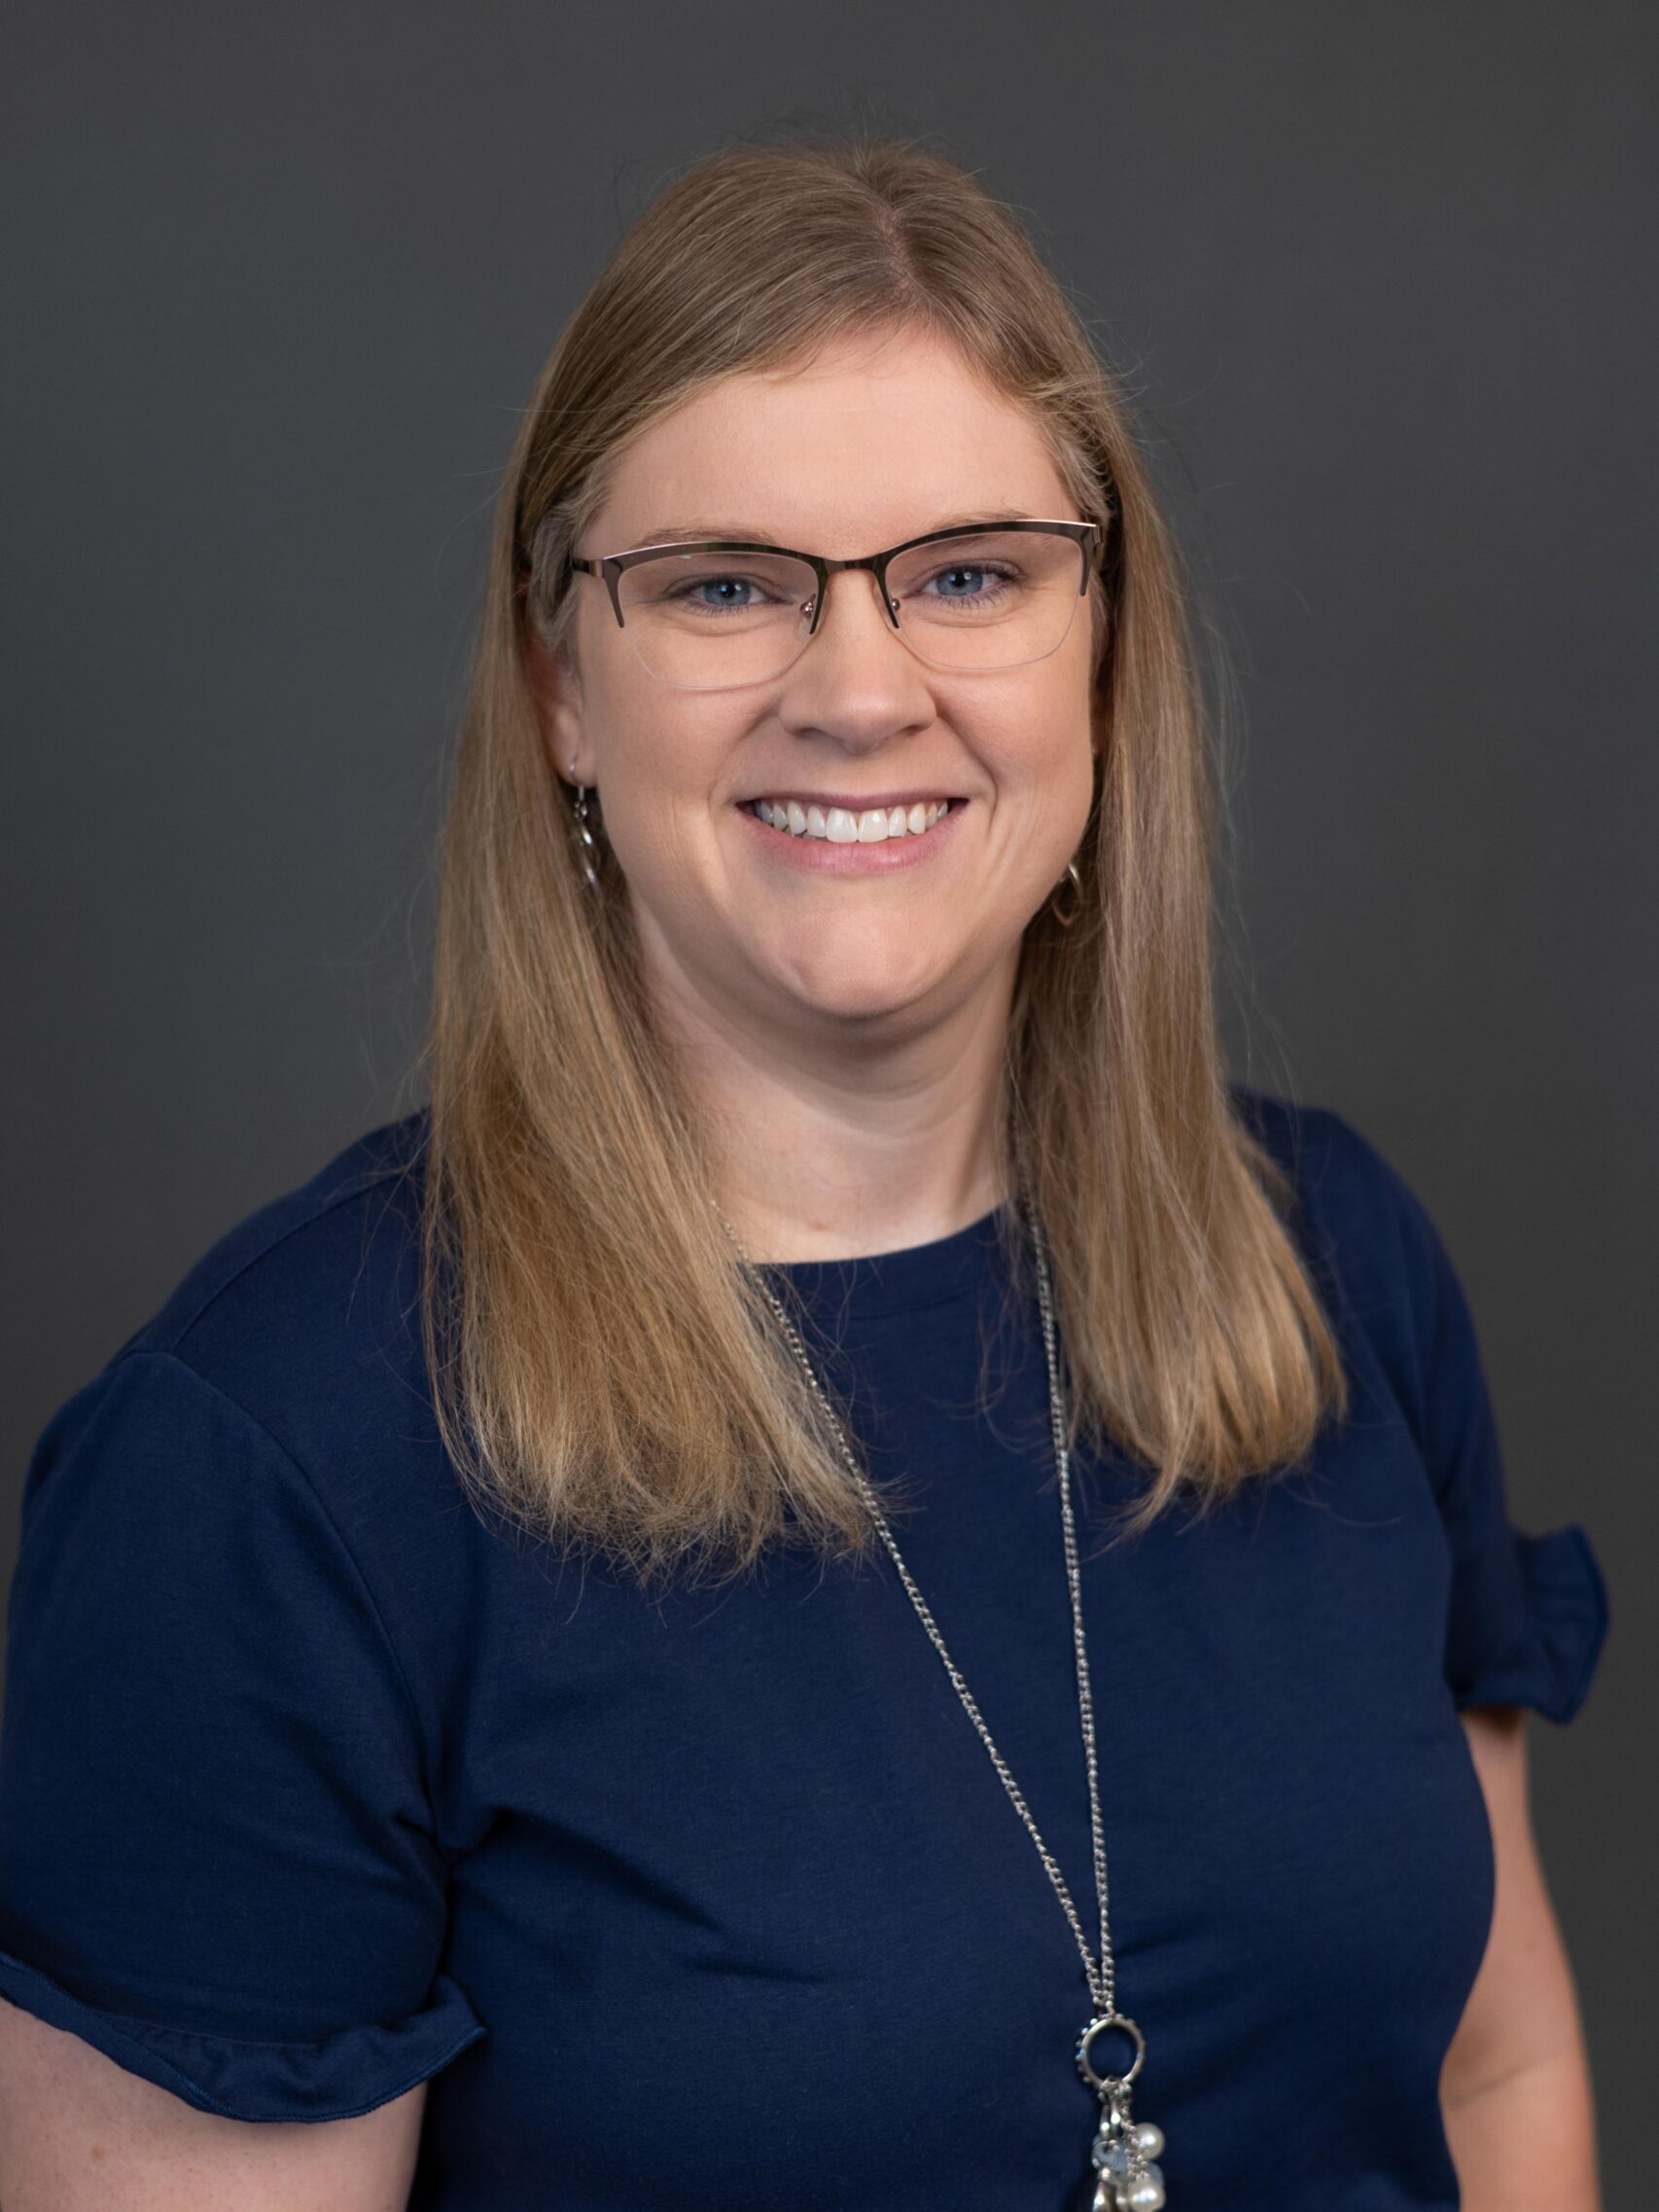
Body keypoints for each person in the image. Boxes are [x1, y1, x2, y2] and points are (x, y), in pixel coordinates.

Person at [0, 137, 1609, 2212]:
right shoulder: (268, 1466)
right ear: (560, 684)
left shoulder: (1330, 1265)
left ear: (1103, 655)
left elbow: (1498, 2078)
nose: (859, 691)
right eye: (727, 585)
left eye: (968, 572)